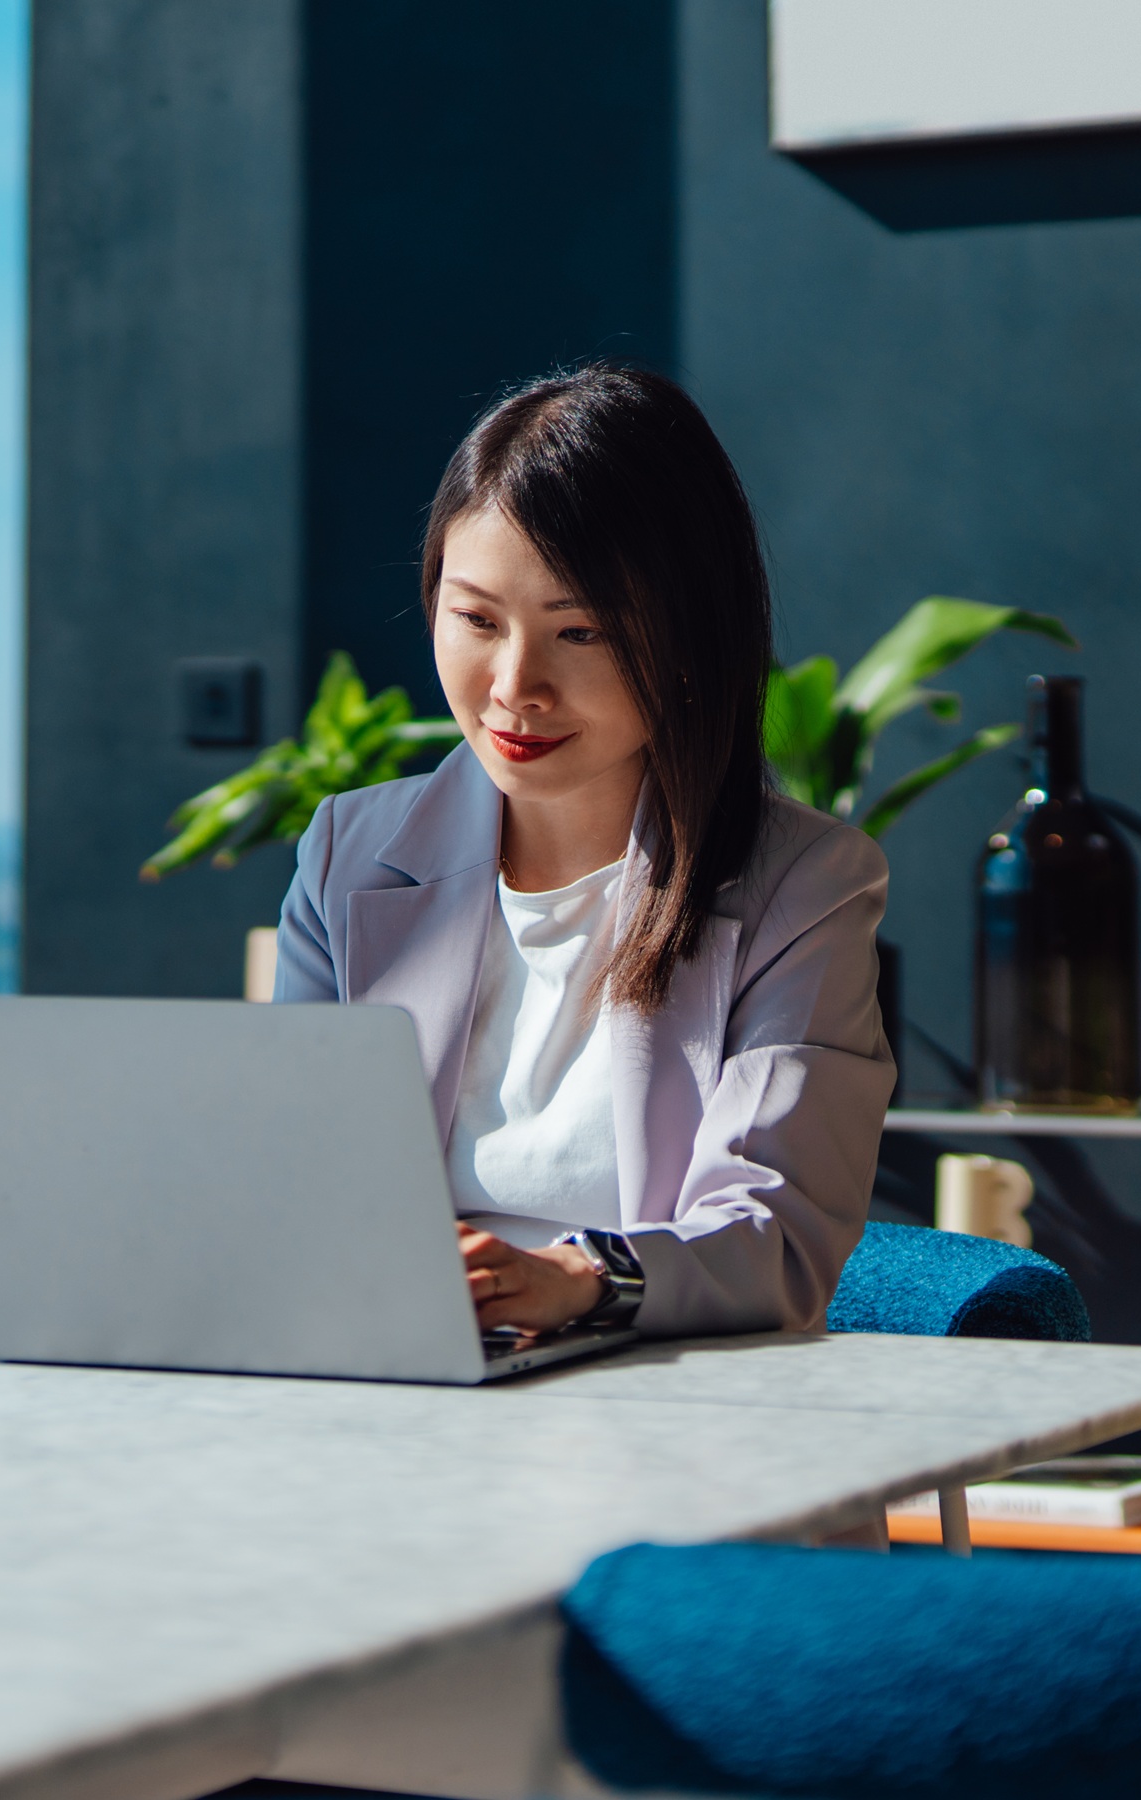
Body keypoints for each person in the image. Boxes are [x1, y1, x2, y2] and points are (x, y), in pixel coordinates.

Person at [274, 365, 889, 1340]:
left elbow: (778, 1232)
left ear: (689, 639)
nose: (514, 687)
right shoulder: (349, 854)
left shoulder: (801, 884)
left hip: (669, 1417)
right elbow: (290, 1179)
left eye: (581, 632)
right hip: (403, 1395)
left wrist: (585, 1280)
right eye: (476, 619)